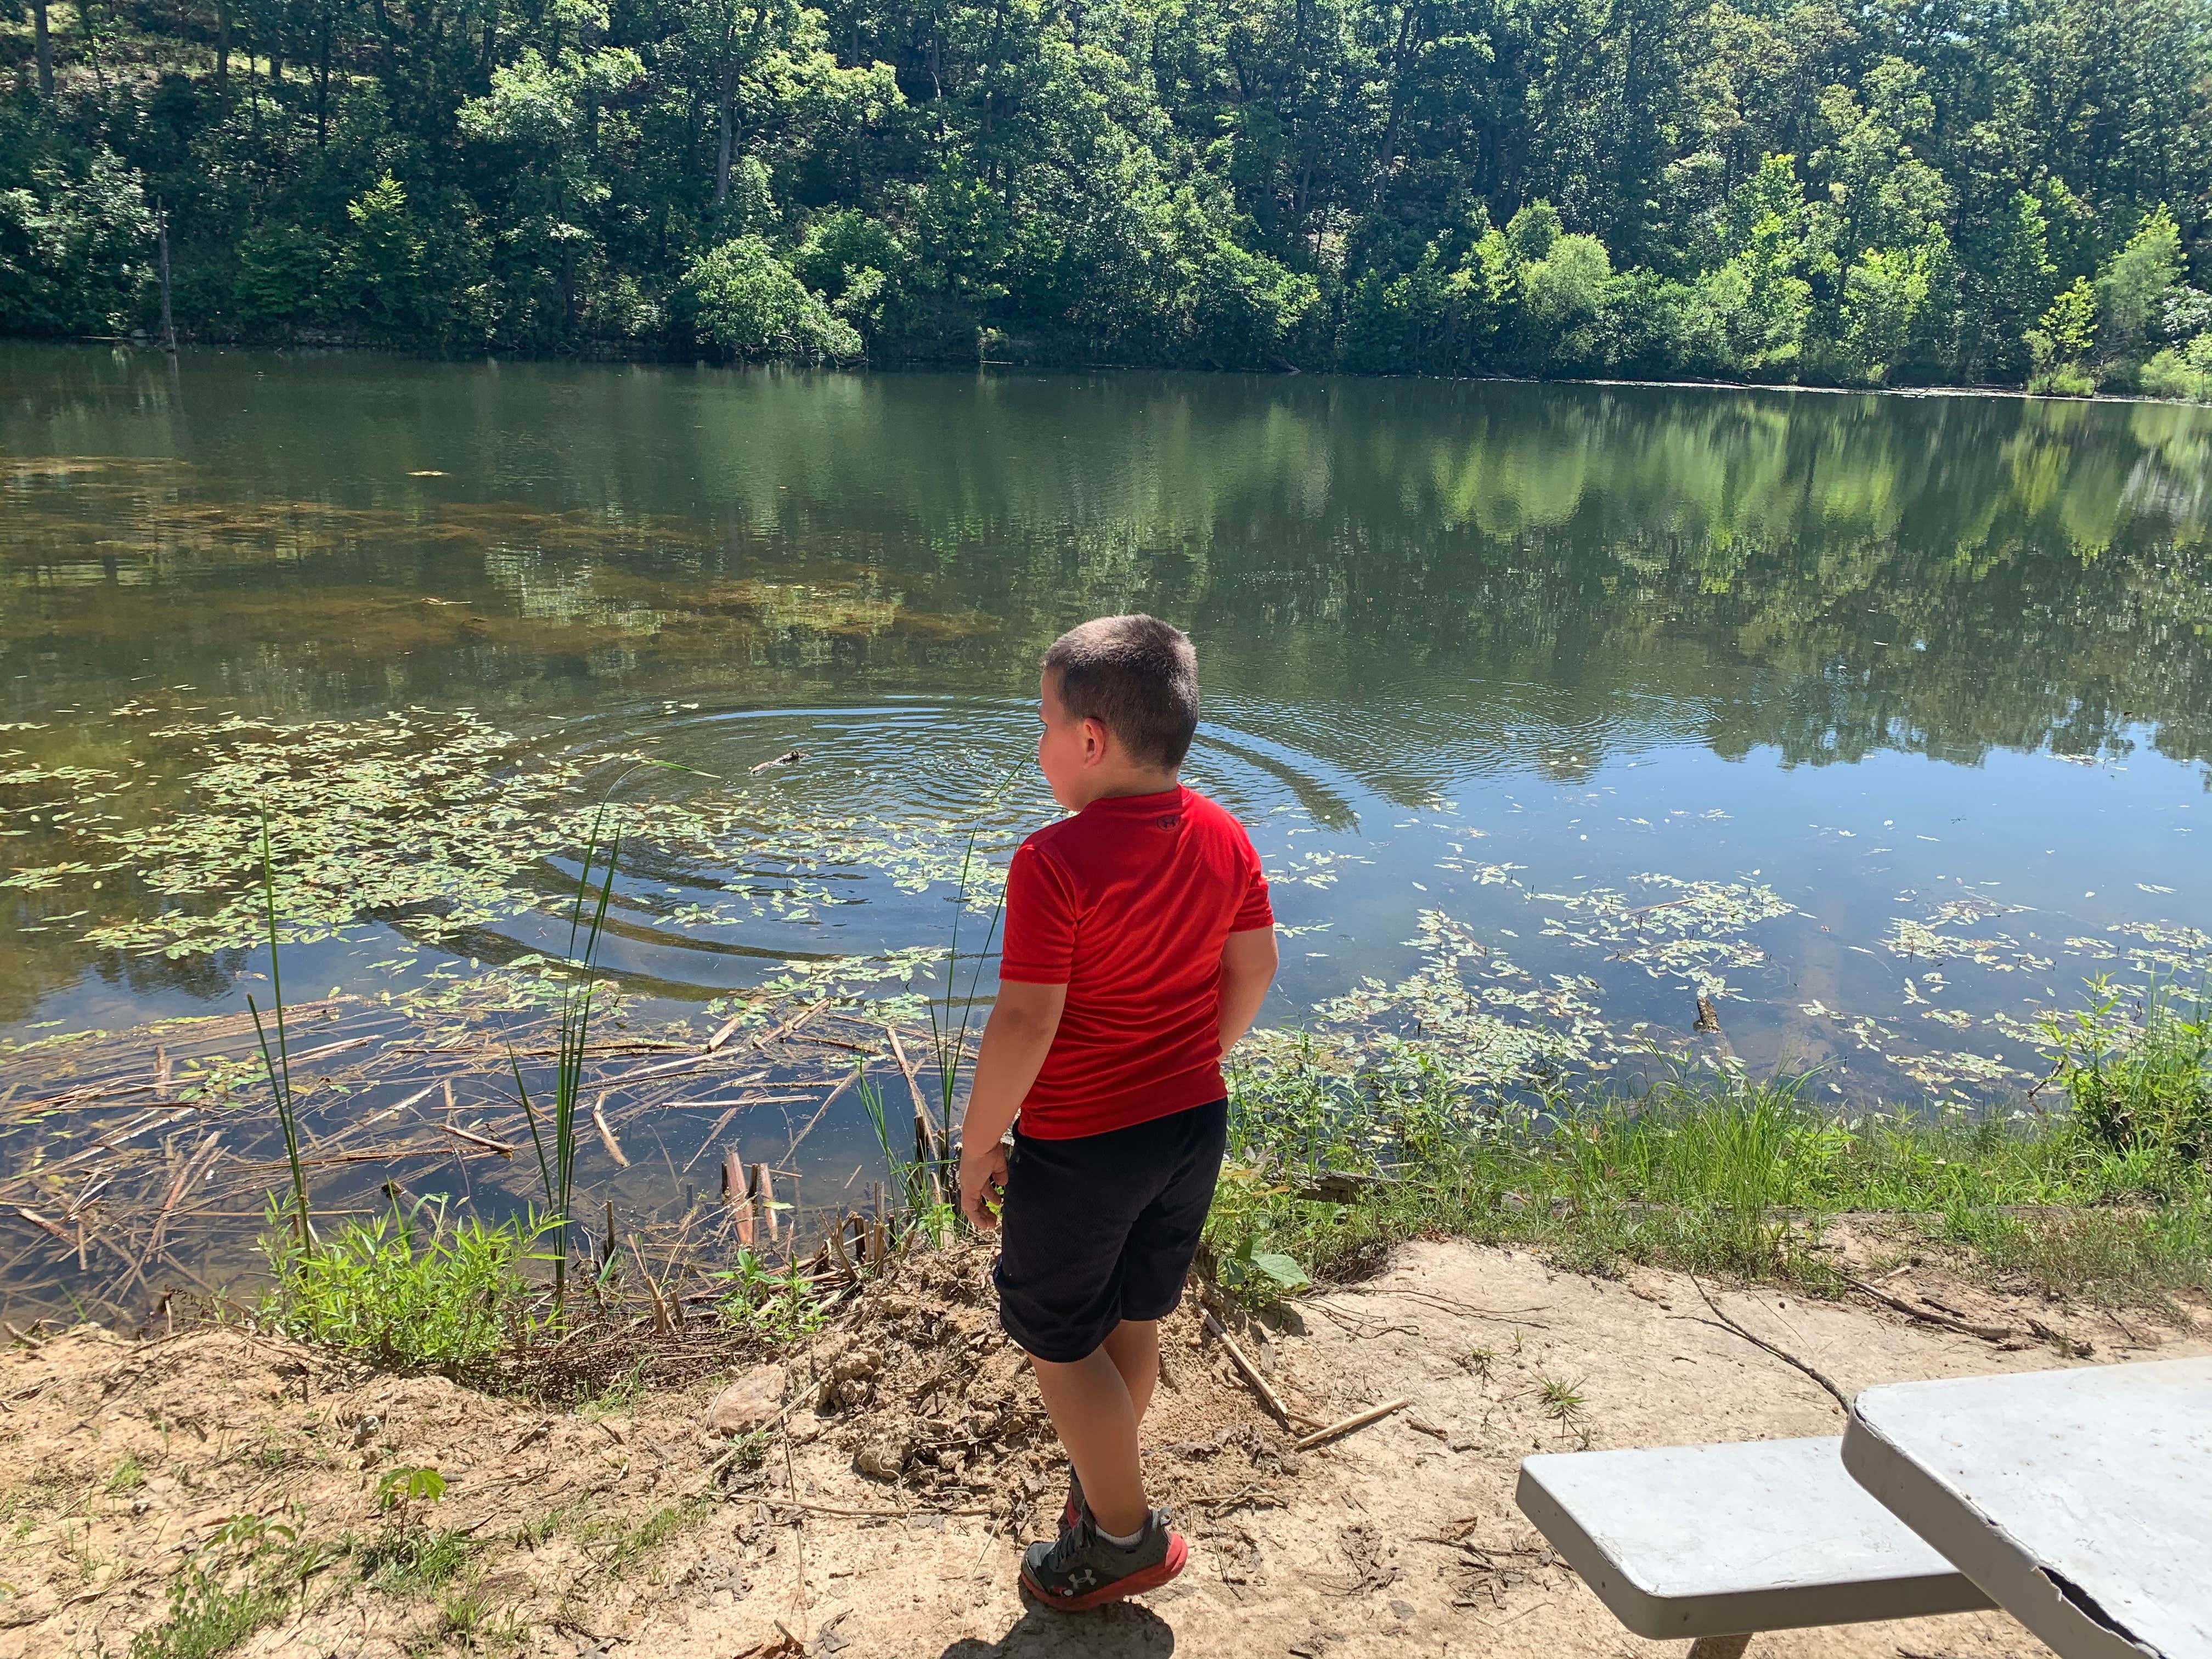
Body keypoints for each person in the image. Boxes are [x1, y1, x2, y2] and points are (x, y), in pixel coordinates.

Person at [956, 613, 1279, 1611]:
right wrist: (1194, 1058)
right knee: (1134, 1316)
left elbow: (1024, 1019)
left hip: (1085, 1147)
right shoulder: (1226, 833)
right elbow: (1256, 967)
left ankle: (1126, 1539)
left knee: (1059, 1342)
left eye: (1043, 722)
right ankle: (1105, 1489)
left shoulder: (1054, 861)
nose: (1038, 743)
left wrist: (976, 1151)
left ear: (1089, 740)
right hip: (1192, 1128)